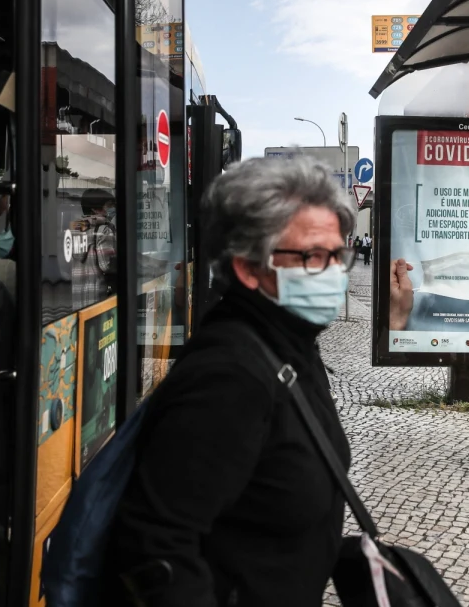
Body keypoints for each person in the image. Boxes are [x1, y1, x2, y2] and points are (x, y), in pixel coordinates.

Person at [104, 155, 355, 606]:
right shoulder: (230, 376)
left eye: (339, 255)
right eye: (314, 257)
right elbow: (155, 546)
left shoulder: (291, 343)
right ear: (247, 267)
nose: (335, 273)